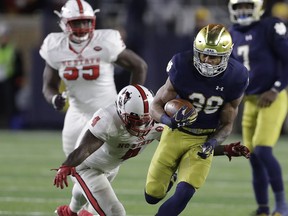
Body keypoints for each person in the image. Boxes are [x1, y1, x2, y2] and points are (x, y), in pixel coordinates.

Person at [52, 84, 250, 216]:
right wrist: (67, 165)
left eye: (146, 120)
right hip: (87, 167)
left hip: (111, 165)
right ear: (122, 113)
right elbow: (85, 148)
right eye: (135, 121)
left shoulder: (155, 122)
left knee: (84, 198)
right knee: (115, 212)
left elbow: (189, 147)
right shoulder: (108, 120)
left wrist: (225, 149)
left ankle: (70, 212)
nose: (142, 126)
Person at [144, 23, 250, 216]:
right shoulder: (182, 65)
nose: (207, 61)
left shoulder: (236, 76)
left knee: (184, 192)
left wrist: (212, 144)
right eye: (204, 55)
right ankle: (170, 177)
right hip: (174, 134)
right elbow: (155, 106)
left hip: (202, 139)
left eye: (214, 57)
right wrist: (167, 122)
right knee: (152, 195)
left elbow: (227, 124)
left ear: (226, 56)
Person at [40, 0, 147, 157]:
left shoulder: (105, 42)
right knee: (73, 166)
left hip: (106, 112)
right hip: (76, 113)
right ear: (64, 23)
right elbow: (48, 85)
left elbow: (140, 66)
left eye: (86, 22)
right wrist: (54, 98)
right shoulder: (55, 46)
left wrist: (130, 102)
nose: (82, 27)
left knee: (100, 167)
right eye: (77, 22)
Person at [228, 0, 288, 216]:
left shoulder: (270, 26)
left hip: (272, 97)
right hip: (250, 100)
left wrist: (276, 88)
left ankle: (282, 206)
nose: (243, 11)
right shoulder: (232, 32)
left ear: (258, 8)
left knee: (263, 149)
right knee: (252, 154)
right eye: (239, 7)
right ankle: (262, 209)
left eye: (247, 6)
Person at [0, 22, 24, 129]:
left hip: (8, 81)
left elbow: (18, 67)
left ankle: (9, 126)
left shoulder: (13, 50)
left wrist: (17, 81)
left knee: (10, 104)